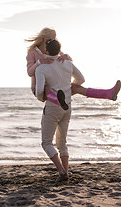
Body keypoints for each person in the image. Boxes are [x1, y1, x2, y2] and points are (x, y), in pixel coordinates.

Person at [26, 27, 121, 110]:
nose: (54, 40)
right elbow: (30, 73)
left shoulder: (54, 49)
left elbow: (69, 61)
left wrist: (66, 56)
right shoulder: (33, 52)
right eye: (52, 38)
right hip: (41, 89)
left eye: (55, 38)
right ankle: (60, 102)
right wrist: (39, 62)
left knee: (78, 88)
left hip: (58, 88)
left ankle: (109, 94)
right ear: (44, 39)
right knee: (47, 88)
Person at [35, 39, 85, 182]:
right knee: (62, 142)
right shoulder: (67, 63)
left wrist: (41, 98)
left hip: (52, 105)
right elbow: (81, 79)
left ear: (47, 51)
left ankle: (61, 172)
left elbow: (39, 90)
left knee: (46, 142)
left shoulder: (41, 68)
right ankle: (65, 172)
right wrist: (68, 89)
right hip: (67, 106)